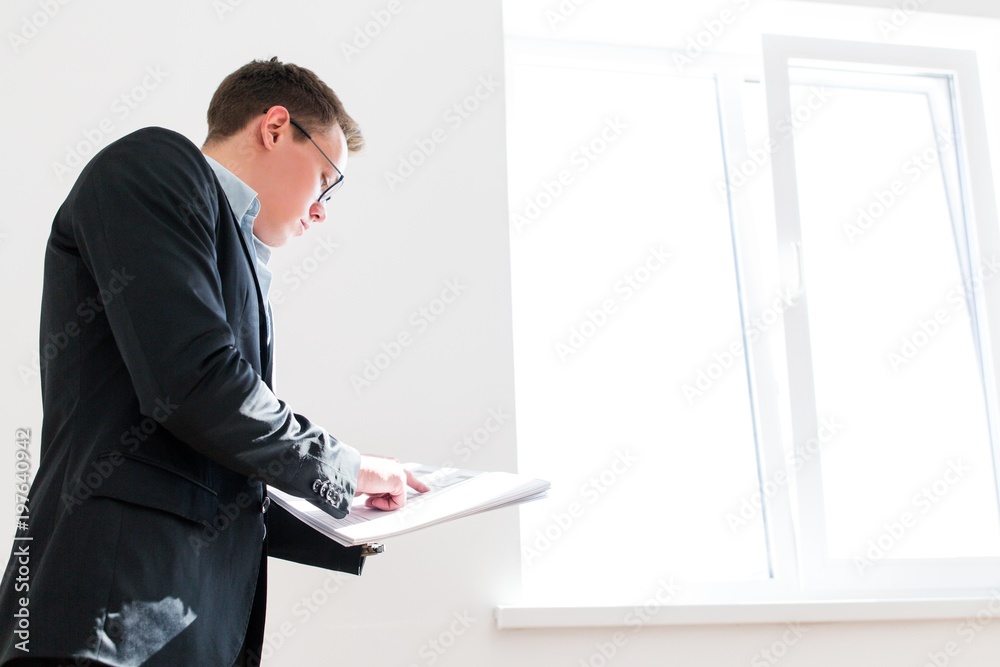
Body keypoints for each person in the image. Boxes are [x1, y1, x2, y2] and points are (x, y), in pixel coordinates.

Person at [0, 57, 428, 667]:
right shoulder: (153, 167)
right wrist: (345, 465)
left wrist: (352, 512)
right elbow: (197, 382)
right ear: (275, 128)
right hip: (113, 610)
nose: (321, 211)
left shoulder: (238, 254)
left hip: (181, 616)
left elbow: (209, 452)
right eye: (327, 180)